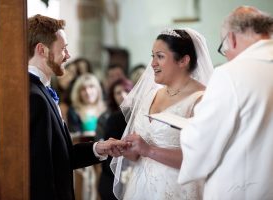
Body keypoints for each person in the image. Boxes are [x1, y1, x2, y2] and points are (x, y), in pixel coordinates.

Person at [178, 6, 273, 200]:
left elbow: (201, 142)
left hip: (242, 190)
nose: (227, 55)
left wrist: (190, 126)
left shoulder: (230, 74)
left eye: (224, 48)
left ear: (232, 38)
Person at [28, 14, 127, 200]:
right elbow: (39, 171)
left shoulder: (41, 91)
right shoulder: (34, 97)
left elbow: (61, 157)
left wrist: (99, 148)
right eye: (63, 49)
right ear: (42, 49)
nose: (68, 55)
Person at [111, 28, 214, 200]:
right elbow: (138, 152)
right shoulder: (150, 96)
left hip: (177, 189)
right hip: (140, 188)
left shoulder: (201, 99)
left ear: (183, 61)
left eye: (160, 56)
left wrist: (149, 150)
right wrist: (126, 148)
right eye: (152, 56)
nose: (152, 64)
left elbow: (202, 158)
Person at [97, 78, 133, 200]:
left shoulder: (137, 114)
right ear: (112, 96)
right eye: (118, 92)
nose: (123, 95)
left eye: (126, 91)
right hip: (112, 166)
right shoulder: (109, 118)